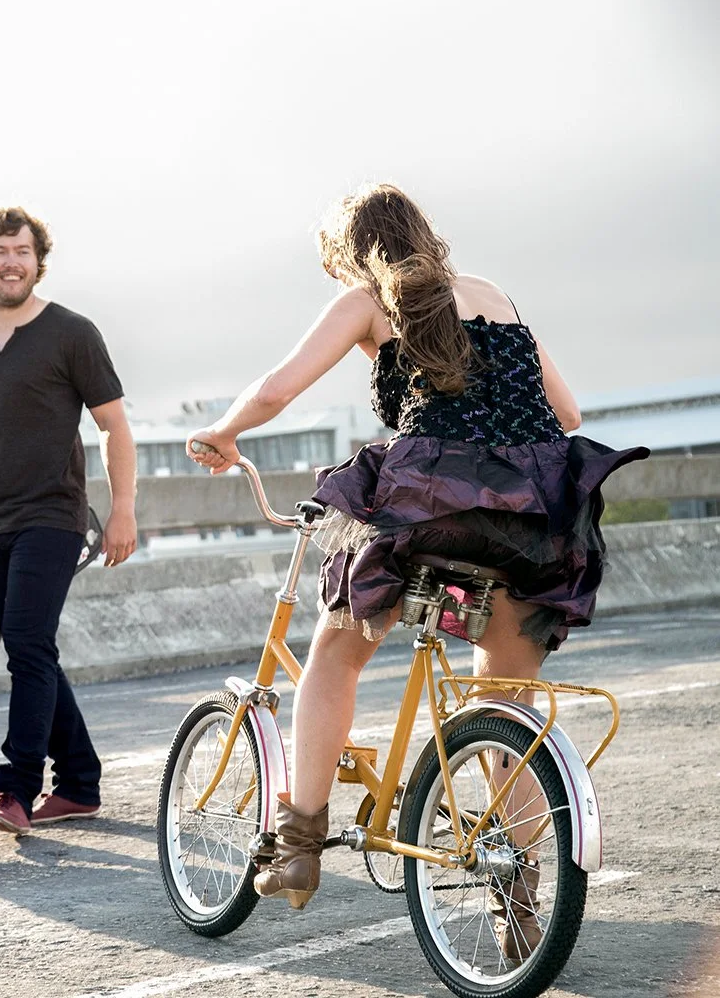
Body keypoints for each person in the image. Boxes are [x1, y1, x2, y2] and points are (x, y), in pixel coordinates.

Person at [186, 184, 647, 957]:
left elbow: (276, 389)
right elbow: (567, 415)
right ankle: (518, 894)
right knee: (507, 704)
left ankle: (298, 844)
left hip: (432, 510)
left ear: (351, 257)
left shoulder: (368, 300)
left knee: (338, 652)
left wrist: (222, 433)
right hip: (532, 521)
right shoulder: (493, 294)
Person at [0, 206, 139, 837]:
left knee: (27, 643)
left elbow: (113, 425)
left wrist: (123, 509)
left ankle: (15, 789)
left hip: (53, 516)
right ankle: (79, 783)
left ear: (38, 261)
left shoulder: (72, 333)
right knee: (30, 646)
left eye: (22, 251)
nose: (11, 262)